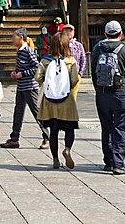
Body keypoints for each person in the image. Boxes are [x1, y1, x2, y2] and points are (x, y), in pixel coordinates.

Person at [91, 19, 125, 174]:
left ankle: (108, 161)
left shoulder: (98, 49)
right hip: (121, 92)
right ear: (120, 34)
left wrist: (98, 89)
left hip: (102, 93)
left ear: (105, 33)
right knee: (121, 128)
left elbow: (93, 72)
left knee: (106, 127)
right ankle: (118, 163)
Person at [37, 33, 80, 170]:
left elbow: (37, 77)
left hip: (49, 101)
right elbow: (75, 79)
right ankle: (67, 149)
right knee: (69, 129)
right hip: (66, 100)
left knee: (53, 131)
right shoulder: (70, 61)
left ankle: (55, 159)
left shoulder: (45, 61)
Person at [1, 27, 48, 150]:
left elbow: (36, 67)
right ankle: (14, 138)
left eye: (13, 37)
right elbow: (22, 67)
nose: (12, 39)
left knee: (36, 112)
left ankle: (47, 136)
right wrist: (15, 72)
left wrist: (23, 74)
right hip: (21, 86)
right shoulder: (19, 51)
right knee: (18, 113)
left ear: (21, 38)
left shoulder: (28, 50)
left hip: (30, 86)